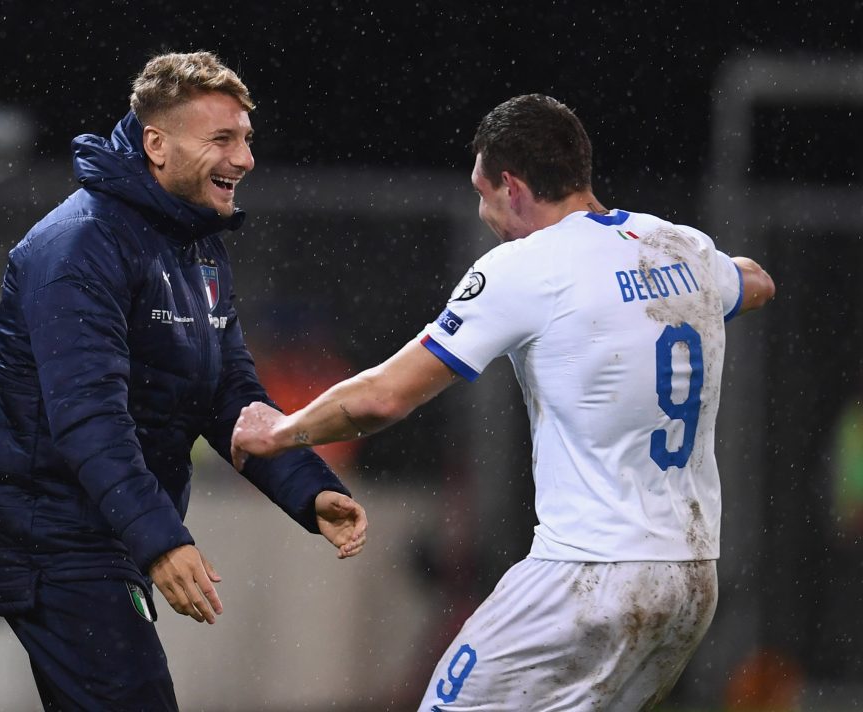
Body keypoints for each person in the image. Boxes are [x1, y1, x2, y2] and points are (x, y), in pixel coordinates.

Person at [231, 94, 775, 710]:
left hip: (585, 575)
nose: (482, 211)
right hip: (691, 576)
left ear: (512, 186)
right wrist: (705, 276)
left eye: (482, 192)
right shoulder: (680, 248)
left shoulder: (526, 267)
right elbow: (755, 281)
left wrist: (282, 432)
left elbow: (383, 397)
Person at [0, 51, 367, 710]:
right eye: (222, 139)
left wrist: (306, 487)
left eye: (246, 139)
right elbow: (88, 418)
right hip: (56, 541)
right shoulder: (78, 245)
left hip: (106, 536)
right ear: (156, 144)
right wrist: (160, 540)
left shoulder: (194, 243)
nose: (245, 159)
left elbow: (228, 393)